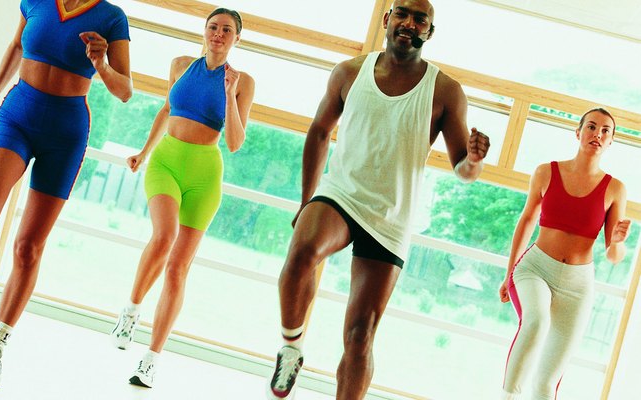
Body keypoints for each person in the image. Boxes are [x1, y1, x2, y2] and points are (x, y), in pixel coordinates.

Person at [266, 1, 491, 399]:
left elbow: (463, 169)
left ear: (429, 32)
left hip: (391, 216)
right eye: (401, 13)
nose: (409, 22)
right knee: (302, 251)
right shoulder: (349, 72)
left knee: (360, 336)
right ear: (387, 20)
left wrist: (473, 160)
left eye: (420, 18)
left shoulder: (445, 90)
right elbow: (319, 131)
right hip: (341, 194)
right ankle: (291, 346)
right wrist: (306, 201)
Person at [0, 0, 132, 389]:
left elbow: (125, 91)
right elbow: (17, 46)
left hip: (67, 129)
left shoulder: (111, 17)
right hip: (18, 111)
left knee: (28, 247)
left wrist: (102, 64)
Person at [108, 7, 255, 388]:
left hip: (205, 172)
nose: (218, 34)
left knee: (178, 267)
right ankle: (131, 309)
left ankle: (151, 359)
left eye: (226, 30)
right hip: (167, 161)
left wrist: (228, 93)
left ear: (238, 38)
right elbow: (167, 108)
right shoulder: (180, 64)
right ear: (204, 32)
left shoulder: (242, 82)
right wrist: (144, 150)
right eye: (213, 27)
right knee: (163, 236)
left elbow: (236, 142)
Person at [499, 108, 630, 400]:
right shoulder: (546, 171)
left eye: (606, 130)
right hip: (535, 269)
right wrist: (508, 274)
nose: (598, 134)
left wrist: (619, 241)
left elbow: (613, 255)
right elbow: (526, 220)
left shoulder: (615, 189)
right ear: (578, 132)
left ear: (611, 142)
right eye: (592, 127)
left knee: (547, 382)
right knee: (536, 321)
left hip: (578, 284)